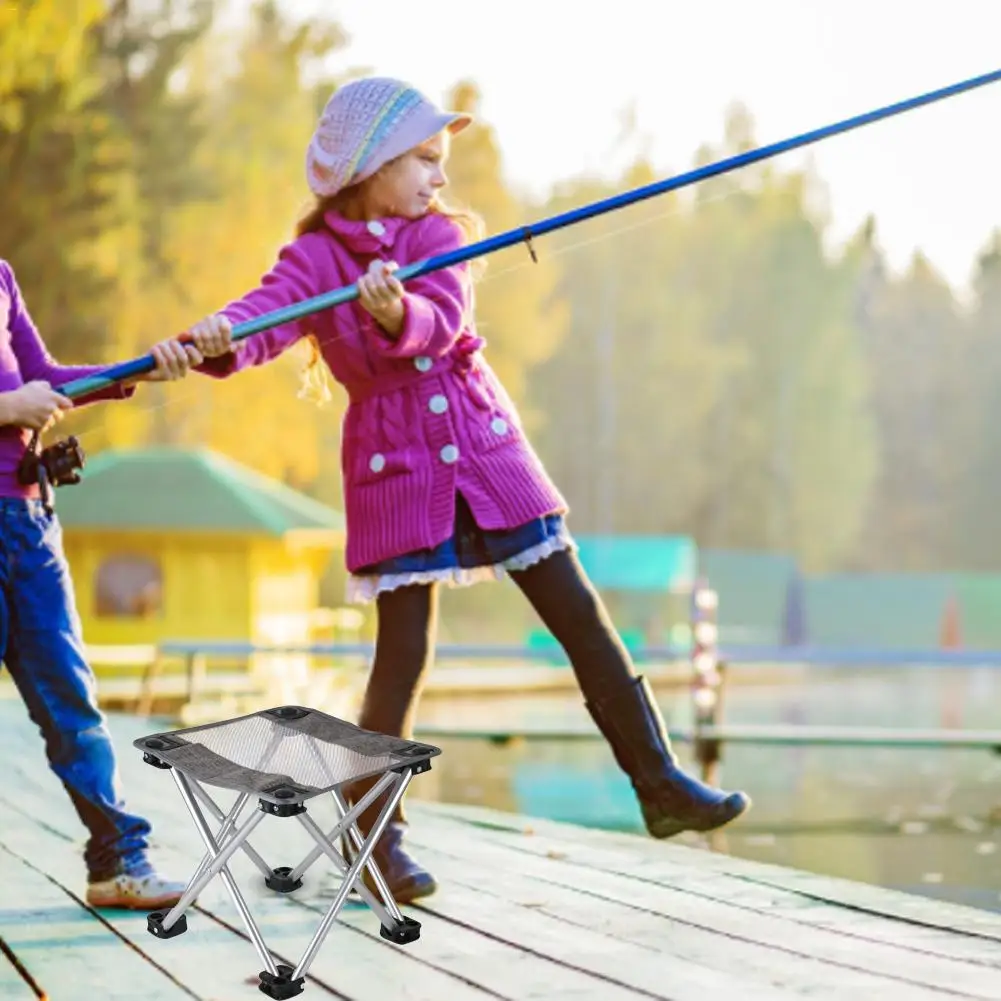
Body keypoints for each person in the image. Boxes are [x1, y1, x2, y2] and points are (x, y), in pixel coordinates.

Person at [184, 77, 752, 904]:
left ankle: (659, 784)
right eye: (422, 159)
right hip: (394, 465)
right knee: (403, 653)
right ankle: (377, 837)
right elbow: (265, 316)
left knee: (579, 616)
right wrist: (212, 340)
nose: (438, 177)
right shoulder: (313, 260)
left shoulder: (438, 235)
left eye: (439, 161)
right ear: (370, 165)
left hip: (485, 448)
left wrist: (395, 317)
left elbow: (442, 320)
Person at [0, 258, 204, 909]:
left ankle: (117, 861)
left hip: (30, 524)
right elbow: (23, 395)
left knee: (73, 700)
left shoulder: (4, 275)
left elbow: (48, 378)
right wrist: (6, 406)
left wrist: (132, 371)